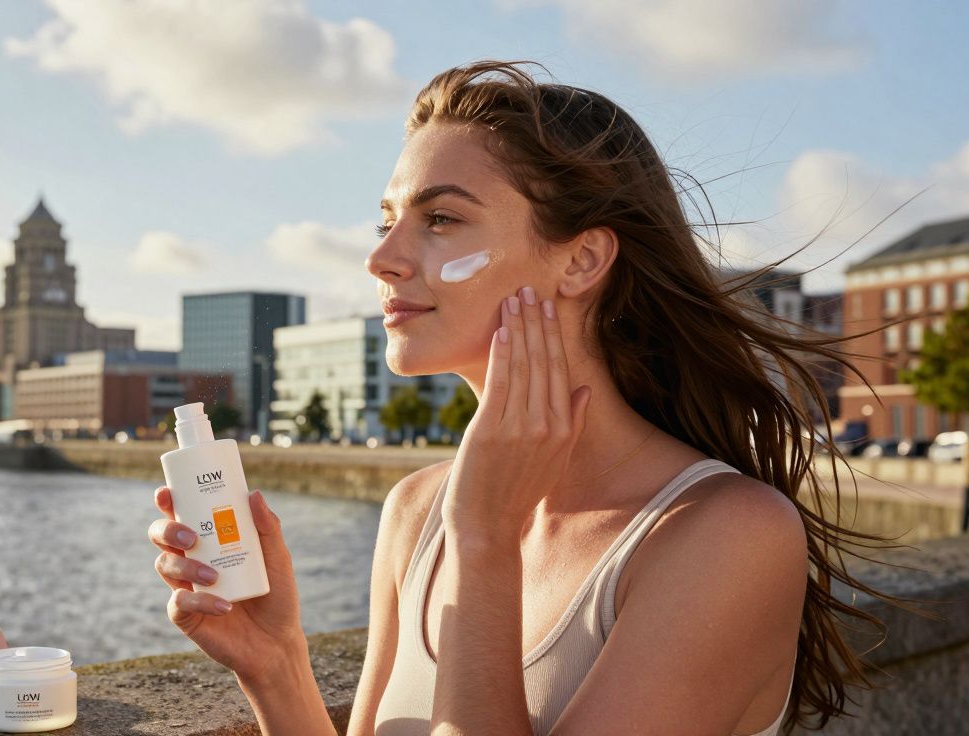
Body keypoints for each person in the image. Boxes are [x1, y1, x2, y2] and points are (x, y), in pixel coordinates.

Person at [147, 60, 927, 735]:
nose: (380, 257)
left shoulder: (726, 536)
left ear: (582, 259)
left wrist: (486, 537)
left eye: (441, 219)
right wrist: (278, 665)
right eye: (387, 221)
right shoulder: (417, 513)